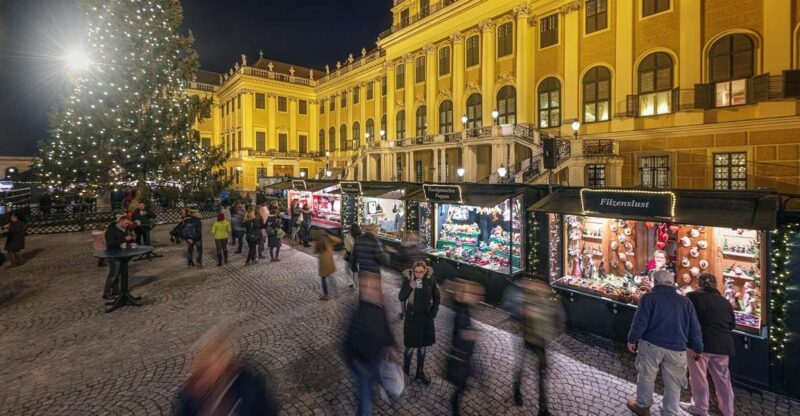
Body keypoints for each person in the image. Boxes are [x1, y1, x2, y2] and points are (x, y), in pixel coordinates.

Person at [626, 269, 704, 416]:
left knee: (646, 376)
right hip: (677, 348)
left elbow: (640, 322)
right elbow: (695, 328)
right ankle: (669, 412)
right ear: (672, 283)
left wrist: (632, 339)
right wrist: (698, 349)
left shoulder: (649, 298)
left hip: (651, 344)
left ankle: (643, 406)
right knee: (674, 384)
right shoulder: (685, 302)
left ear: (655, 282)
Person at [175, 325, 279, 415]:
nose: (209, 373)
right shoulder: (189, 396)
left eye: (214, 363)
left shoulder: (249, 385)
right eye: (205, 365)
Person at [342, 271, 399, 416]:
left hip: (376, 360)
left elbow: (385, 328)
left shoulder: (379, 307)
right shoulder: (357, 314)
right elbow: (346, 345)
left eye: (376, 288)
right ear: (363, 292)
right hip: (362, 366)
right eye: (371, 288)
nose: (376, 292)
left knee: (373, 391)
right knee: (365, 403)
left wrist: (392, 347)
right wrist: (357, 364)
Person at [683, 273, 736, 416]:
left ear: (699, 283)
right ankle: (728, 410)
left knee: (698, 377)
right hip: (722, 345)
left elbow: (687, 319)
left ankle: (700, 408)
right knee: (723, 378)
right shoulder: (724, 301)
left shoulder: (693, 297)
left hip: (700, 345)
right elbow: (732, 323)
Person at [513, 279, 566, 415]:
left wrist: (556, 329)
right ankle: (517, 388)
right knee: (523, 366)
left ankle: (542, 408)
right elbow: (521, 316)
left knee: (541, 375)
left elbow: (557, 317)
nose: (541, 286)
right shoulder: (528, 297)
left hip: (541, 342)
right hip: (529, 339)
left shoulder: (550, 299)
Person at [398, 260, 440, 385]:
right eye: (416, 272)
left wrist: (433, 312)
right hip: (412, 318)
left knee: (422, 347)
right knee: (410, 347)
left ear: (425, 271)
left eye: (421, 272)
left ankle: (419, 373)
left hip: (425, 319)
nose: (419, 274)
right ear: (413, 271)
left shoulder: (430, 280)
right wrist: (410, 287)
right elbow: (401, 297)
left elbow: (437, 297)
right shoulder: (408, 279)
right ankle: (405, 372)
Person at [448, 279, 483, 416]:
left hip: (464, 353)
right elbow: (462, 333)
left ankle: (458, 394)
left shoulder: (463, 308)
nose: (474, 297)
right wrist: (474, 335)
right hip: (461, 354)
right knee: (460, 383)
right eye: (470, 294)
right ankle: (455, 404)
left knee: (463, 381)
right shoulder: (461, 312)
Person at [103, 215, 134, 299]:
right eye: (126, 223)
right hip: (113, 254)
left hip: (123, 253)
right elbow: (110, 244)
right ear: (120, 221)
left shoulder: (125, 229)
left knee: (118, 273)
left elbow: (128, 239)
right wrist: (125, 239)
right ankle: (106, 292)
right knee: (113, 274)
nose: (127, 225)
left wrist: (131, 240)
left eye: (128, 224)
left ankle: (116, 290)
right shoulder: (111, 230)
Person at [314, 228, 341, 301]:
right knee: (331, 278)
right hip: (329, 263)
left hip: (322, 264)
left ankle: (326, 295)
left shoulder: (318, 242)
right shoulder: (328, 241)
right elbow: (338, 240)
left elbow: (315, 251)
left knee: (323, 279)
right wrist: (328, 236)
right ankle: (336, 293)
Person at [344, 224, 362, 288]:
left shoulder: (349, 237)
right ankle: (355, 284)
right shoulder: (360, 236)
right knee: (355, 269)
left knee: (347, 269)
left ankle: (352, 282)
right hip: (358, 255)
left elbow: (348, 248)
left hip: (350, 255)